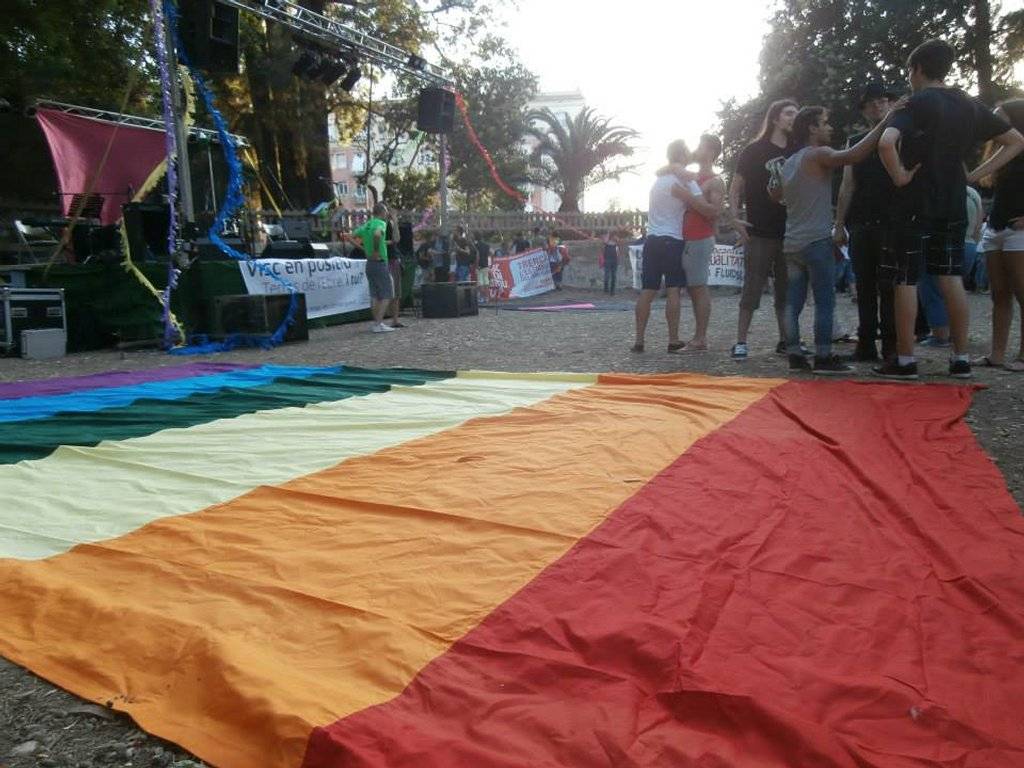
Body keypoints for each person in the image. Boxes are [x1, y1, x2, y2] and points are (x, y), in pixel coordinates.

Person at [874, 39, 1024, 380]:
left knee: (907, 277)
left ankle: (906, 361)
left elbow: (885, 143)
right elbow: (1016, 140)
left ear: (917, 69)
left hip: (913, 200)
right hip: (953, 200)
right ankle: (959, 359)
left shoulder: (915, 102)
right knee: (950, 275)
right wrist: (973, 175)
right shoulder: (969, 104)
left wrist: (899, 175)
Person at [780, 105, 893, 374]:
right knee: (825, 300)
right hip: (816, 240)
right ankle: (823, 356)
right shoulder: (819, 154)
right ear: (812, 128)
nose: (830, 128)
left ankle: (794, 353)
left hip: (792, 242)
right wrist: (886, 122)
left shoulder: (790, 162)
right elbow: (855, 154)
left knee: (792, 302)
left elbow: (777, 195)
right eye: (825, 123)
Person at [729, 99, 801, 360]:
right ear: (775, 118)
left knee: (786, 291)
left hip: (790, 230)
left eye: (796, 113)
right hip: (759, 230)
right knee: (752, 288)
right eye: (789, 112)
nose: (795, 117)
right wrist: (734, 217)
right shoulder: (754, 150)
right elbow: (736, 185)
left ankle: (786, 340)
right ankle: (740, 342)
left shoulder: (799, 149)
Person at [633, 140, 705, 353]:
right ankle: (673, 339)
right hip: (673, 239)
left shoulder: (659, 181)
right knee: (674, 289)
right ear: (683, 156)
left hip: (652, 239)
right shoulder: (684, 180)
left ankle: (639, 340)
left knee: (647, 291)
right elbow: (700, 201)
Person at [976, 98, 1024, 372]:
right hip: (995, 228)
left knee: (1022, 294)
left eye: (1000, 117)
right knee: (999, 294)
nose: (995, 123)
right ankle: (997, 354)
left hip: (1019, 230)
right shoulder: (1001, 152)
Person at [915, 186, 985, 347]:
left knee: (932, 291)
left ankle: (940, 334)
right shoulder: (972, 193)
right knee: (955, 290)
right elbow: (978, 226)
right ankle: (957, 333)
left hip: (940, 243)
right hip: (968, 245)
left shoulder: (934, 186)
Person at [681, 134, 726, 350]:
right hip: (688, 238)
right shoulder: (692, 177)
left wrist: (690, 199)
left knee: (699, 287)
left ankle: (700, 338)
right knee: (693, 288)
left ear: (709, 152)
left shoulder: (715, 181)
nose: (696, 149)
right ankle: (698, 336)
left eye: (700, 146)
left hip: (700, 237)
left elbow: (715, 213)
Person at [344, 202, 394, 333]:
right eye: (386, 211)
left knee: (374, 295)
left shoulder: (366, 225)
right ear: (382, 212)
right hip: (379, 262)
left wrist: (363, 248)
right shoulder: (380, 224)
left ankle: (377, 323)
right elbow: (378, 234)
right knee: (387, 294)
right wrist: (376, 250)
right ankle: (378, 323)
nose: (387, 214)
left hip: (369, 263)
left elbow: (349, 237)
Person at [384, 212, 404, 328]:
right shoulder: (387, 224)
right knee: (395, 291)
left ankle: (392, 320)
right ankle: (394, 320)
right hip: (391, 259)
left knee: (393, 292)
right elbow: (396, 238)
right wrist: (395, 222)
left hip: (387, 258)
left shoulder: (374, 224)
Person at [475, 231, 492, 302]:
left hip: (479, 265)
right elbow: (492, 252)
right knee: (486, 281)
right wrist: (490, 261)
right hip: (486, 265)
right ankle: (487, 297)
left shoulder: (476, 245)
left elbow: (477, 256)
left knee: (480, 282)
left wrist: (476, 265)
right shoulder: (487, 245)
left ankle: (482, 297)